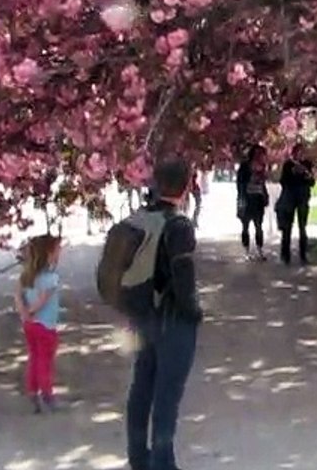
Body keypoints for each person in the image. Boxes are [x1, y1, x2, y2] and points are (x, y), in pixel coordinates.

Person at [126, 157, 202, 470]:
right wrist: (193, 311)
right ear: (186, 185)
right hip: (172, 318)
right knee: (167, 394)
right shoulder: (178, 224)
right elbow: (183, 275)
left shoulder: (139, 218)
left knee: (142, 386)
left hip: (143, 315)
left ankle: (138, 457)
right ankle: (162, 462)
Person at [14, 234, 62, 414]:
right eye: (57, 250)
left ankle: (33, 391)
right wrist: (32, 311)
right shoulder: (51, 278)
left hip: (30, 325)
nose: (59, 253)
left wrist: (24, 313)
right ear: (49, 254)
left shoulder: (26, 276)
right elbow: (43, 299)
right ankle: (47, 393)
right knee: (45, 360)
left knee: (34, 357)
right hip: (46, 325)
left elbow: (18, 295)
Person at [276, 143, 315, 265]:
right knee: (287, 228)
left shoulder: (307, 164)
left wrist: (306, 174)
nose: (300, 155)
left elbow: (312, 182)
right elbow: (283, 181)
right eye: (298, 153)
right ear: (293, 153)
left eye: (302, 153)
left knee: (302, 227)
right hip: (290, 199)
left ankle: (303, 255)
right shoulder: (288, 165)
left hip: (303, 198)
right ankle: (285, 255)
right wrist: (293, 172)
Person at [236, 144, 270, 261]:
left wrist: (265, 196)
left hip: (258, 199)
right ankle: (247, 251)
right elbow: (240, 183)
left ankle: (260, 250)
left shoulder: (262, 167)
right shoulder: (245, 166)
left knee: (259, 226)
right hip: (247, 199)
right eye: (259, 154)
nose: (261, 157)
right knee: (245, 226)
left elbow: (263, 184)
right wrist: (241, 199)